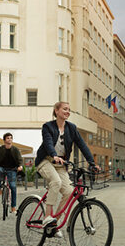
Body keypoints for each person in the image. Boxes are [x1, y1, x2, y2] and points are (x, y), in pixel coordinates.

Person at [34, 102, 99, 237]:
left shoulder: (71, 128)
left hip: (61, 165)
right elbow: (48, 142)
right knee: (56, 182)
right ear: (56, 111)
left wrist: (92, 163)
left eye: (69, 110)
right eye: (64, 109)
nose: (67, 112)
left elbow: (82, 145)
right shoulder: (48, 127)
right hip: (46, 161)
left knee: (69, 192)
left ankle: (53, 224)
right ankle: (47, 217)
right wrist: (54, 155)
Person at [0, 132, 23, 213]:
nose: (9, 139)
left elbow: (20, 159)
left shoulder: (15, 149)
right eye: (8, 138)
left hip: (12, 169)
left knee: (13, 187)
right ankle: (0, 188)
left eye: (11, 138)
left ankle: (13, 207)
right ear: (4, 140)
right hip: (2, 168)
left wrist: (20, 166)